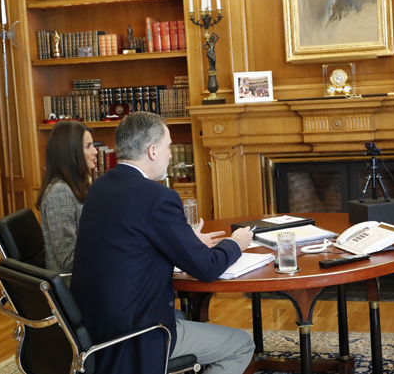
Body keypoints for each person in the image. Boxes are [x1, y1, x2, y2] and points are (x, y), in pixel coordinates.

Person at [70, 112, 255, 374]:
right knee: (242, 344)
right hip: (137, 336)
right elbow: (207, 268)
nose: (170, 155)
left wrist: (187, 241)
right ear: (153, 151)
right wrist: (236, 243)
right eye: (168, 147)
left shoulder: (99, 187)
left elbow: (132, 243)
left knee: (182, 317)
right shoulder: (157, 196)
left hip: (96, 330)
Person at [35, 121, 98, 277]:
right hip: (72, 285)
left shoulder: (76, 185)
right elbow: (67, 260)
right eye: (88, 146)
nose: (95, 151)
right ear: (71, 152)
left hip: (86, 277)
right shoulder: (60, 192)